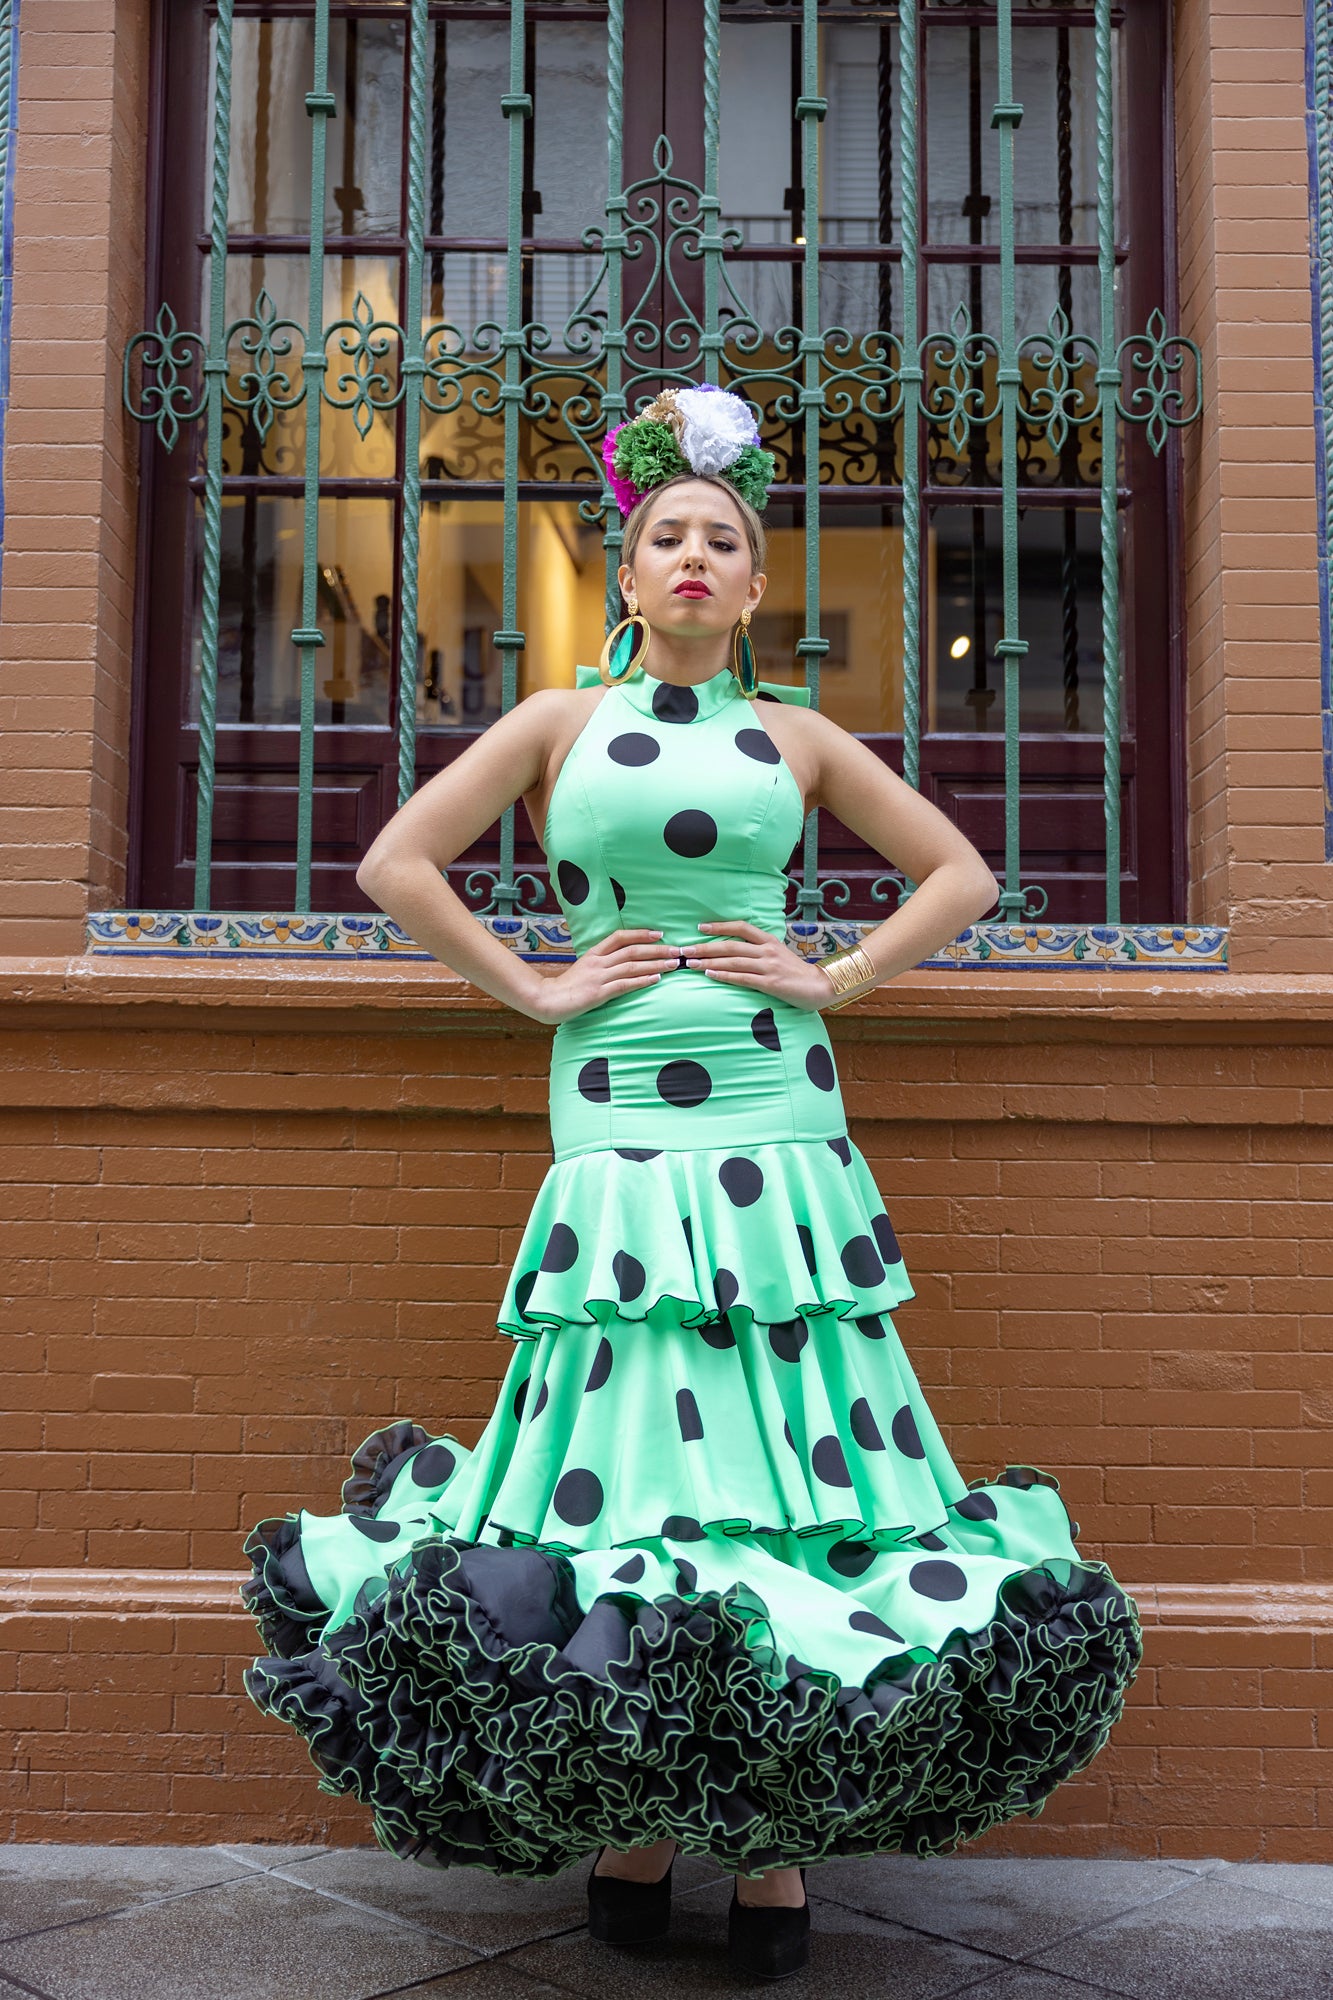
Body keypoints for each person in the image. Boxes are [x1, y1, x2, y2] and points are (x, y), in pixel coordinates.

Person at [239, 385, 1142, 1984]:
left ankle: (772, 1838)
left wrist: (838, 974)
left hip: (776, 1112)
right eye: (669, 536)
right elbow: (395, 862)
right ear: (628, 569)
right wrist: (524, 986)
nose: (697, 558)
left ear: (753, 574)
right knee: (631, 1442)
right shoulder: (553, 724)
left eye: (723, 538)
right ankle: (635, 1810)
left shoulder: (794, 734)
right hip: (611, 1112)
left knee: (782, 1445)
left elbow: (964, 875)